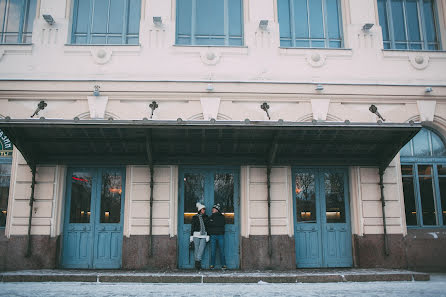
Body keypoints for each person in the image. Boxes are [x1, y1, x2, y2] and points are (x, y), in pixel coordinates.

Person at [190, 202, 209, 270]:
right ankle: (198, 265)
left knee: (201, 250)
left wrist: (208, 235)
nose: (204, 210)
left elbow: (208, 227)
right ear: (200, 210)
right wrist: (191, 236)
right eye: (203, 209)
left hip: (204, 235)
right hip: (196, 234)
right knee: (196, 250)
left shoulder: (206, 217)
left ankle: (197, 262)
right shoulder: (194, 217)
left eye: (204, 209)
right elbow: (192, 227)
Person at [207, 203, 226, 269]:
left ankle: (223, 265)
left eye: (214, 209)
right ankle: (212, 265)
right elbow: (208, 225)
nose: (212, 210)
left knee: (222, 251)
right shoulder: (210, 217)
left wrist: (213, 223)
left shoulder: (222, 217)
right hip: (213, 236)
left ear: (217, 210)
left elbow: (221, 224)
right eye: (212, 208)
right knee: (213, 251)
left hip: (220, 235)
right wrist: (213, 224)